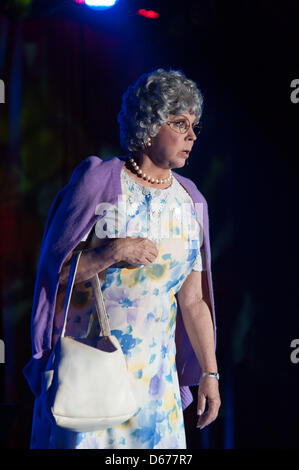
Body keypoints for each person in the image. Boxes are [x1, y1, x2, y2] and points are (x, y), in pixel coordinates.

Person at [23, 68, 221, 449]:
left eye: (194, 125)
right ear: (148, 124)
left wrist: (210, 373)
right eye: (179, 123)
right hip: (89, 374)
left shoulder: (191, 200)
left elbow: (194, 301)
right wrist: (112, 251)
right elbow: (55, 274)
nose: (191, 135)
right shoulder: (98, 179)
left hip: (154, 385)